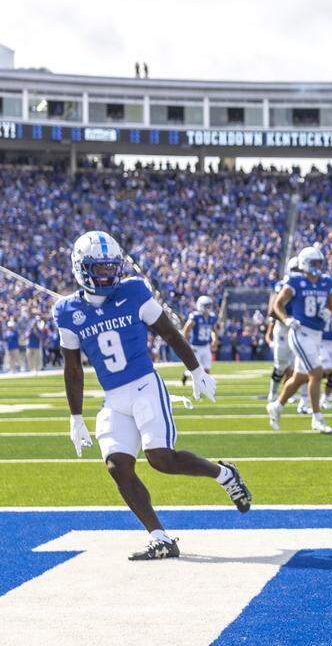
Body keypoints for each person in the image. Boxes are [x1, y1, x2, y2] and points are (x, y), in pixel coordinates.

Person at [55, 231, 251, 560]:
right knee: (117, 465)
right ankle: (159, 537)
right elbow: (72, 368)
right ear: (81, 269)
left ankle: (224, 474)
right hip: (113, 397)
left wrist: (196, 369)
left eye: (110, 267)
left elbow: (168, 332)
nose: (107, 275)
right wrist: (76, 418)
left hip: (145, 385)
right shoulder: (67, 311)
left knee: (161, 459)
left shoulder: (133, 291)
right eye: (99, 269)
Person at [267, 246, 332, 434]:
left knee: (299, 378)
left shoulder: (326, 282)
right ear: (304, 263)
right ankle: (317, 418)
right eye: (314, 263)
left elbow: (331, 304)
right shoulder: (295, 281)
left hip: (316, 334)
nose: (317, 267)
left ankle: (277, 405)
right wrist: (287, 319)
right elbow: (277, 304)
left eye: (320, 263)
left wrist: (328, 312)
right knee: (316, 373)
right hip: (300, 333)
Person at [265, 257, 300, 402]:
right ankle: (273, 392)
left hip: (297, 328)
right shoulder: (282, 285)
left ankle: (289, 393)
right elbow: (272, 311)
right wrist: (286, 319)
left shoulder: (306, 285)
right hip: (283, 328)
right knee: (280, 366)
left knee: (295, 365)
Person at [181, 295, 217, 386]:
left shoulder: (212, 317)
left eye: (209, 305)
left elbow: (213, 330)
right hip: (195, 347)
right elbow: (186, 329)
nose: (209, 308)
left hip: (206, 346)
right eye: (206, 305)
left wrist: (214, 339)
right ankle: (187, 376)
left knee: (207, 369)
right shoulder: (195, 317)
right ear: (200, 306)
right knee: (195, 369)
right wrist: (187, 344)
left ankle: (204, 386)